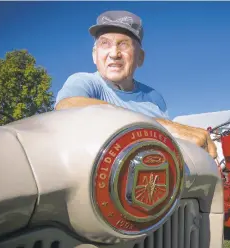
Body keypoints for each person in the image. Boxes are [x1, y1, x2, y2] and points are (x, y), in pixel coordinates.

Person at [54, 10, 217, 158]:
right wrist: (165, 127)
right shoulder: (85, 82)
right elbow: (67, 106)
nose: (114, 54)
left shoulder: (154, 97)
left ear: (140, 57)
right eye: (105, 44)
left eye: (124, 44)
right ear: (94, 56)